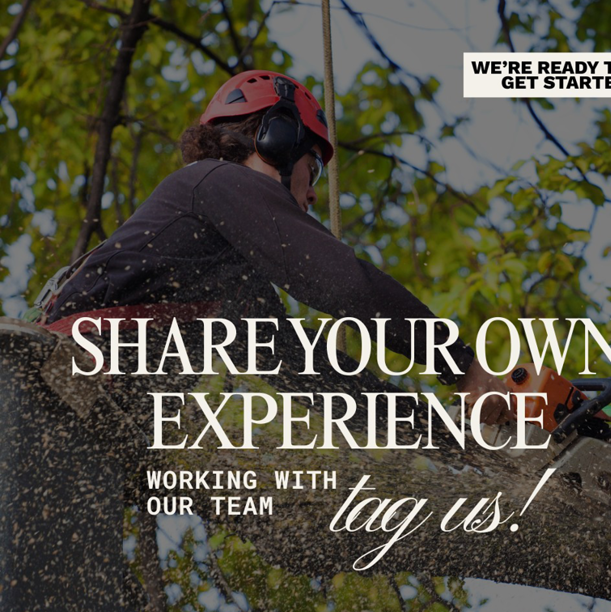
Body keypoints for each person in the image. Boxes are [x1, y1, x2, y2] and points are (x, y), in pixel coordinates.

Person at [45, 70, 511, 426]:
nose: (312, 194)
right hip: (49, 389)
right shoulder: (215, 181)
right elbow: (346, 285)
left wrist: (455, 434)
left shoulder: (225, 275)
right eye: (315, 168)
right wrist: (465, 368)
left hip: (78, 418)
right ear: (277, 140)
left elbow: (317, 378)